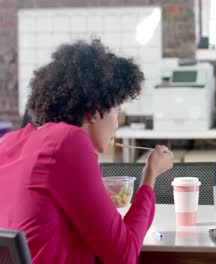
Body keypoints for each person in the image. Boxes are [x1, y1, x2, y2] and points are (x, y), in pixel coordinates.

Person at [0, 39, 174, 263]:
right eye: (116, 110)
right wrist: (150, 176)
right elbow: (124, 255)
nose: (117, 123)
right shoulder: (69, 142)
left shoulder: (9, 142)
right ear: (93, 111)